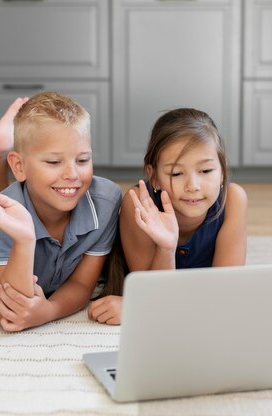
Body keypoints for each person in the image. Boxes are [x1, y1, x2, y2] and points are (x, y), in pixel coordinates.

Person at [0, 91, 122, 332]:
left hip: (22, 202)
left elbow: (81, 284)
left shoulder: (106, 203)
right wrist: (24, 240)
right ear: (19, 166)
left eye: (82, 160)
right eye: (54, 162)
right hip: (2, 223)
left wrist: (48, 311)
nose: (72, 174)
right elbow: (5, 313)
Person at [88, 108, 248, 325]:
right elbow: (154, 293)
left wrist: (138, 308)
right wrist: (166, 247)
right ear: (153, 176)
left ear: (222, 170)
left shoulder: (233, 200)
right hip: (159, 287)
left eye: (206, 171)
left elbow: (225, 294)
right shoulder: (138, 203)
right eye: (176, 173)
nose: (193, 186)